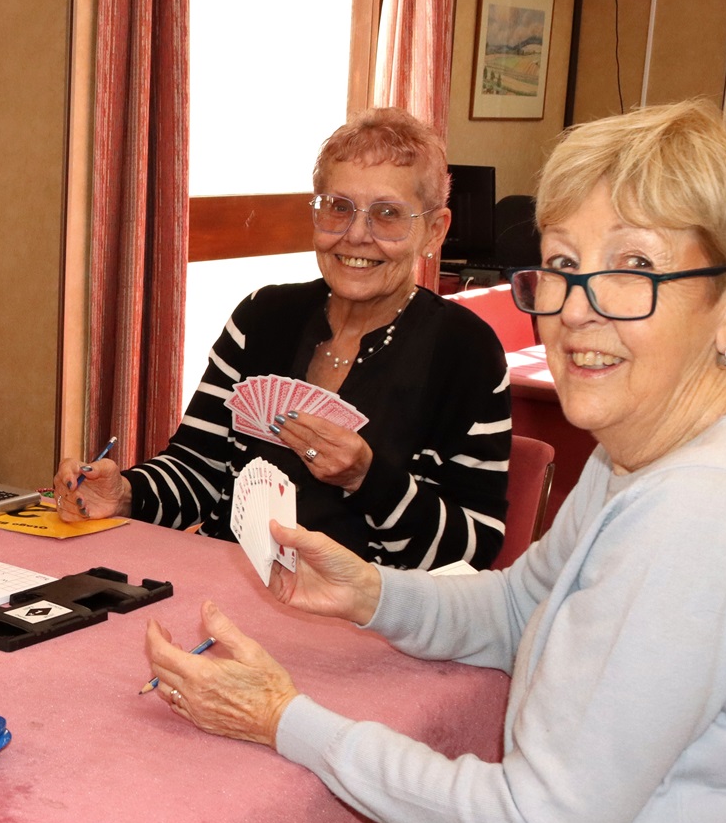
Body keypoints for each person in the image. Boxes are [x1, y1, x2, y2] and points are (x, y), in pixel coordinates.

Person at [142, 101, 726, 823]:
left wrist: (283, 720)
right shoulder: (655, 446)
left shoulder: (708, 508)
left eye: (633, 271)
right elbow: (514, 608)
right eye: (564, 266)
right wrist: (371, 592)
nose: (575, 315)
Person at [58, 108, 512, 570]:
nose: (356, 235)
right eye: (338, 207)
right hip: (232, 587)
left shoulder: (466, 352)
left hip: (370, 616)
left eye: (388, 214)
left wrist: (368, 478)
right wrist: (127, 493)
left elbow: (475, 549)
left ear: (434, 231)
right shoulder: (263, 317)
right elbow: (198, 468)